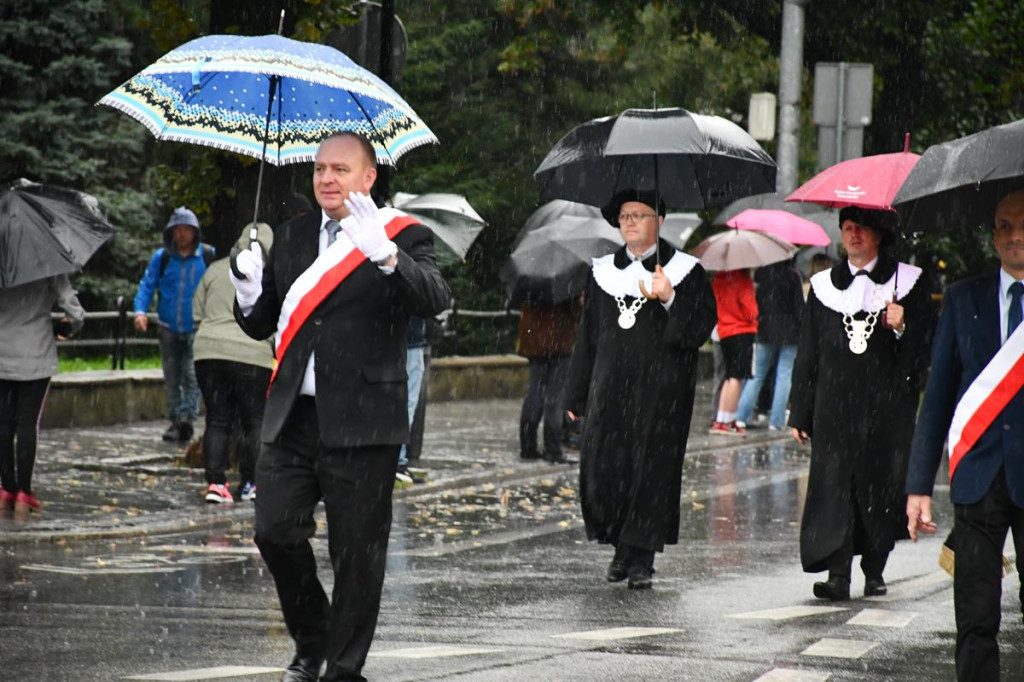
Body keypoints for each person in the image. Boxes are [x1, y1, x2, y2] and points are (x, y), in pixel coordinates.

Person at [230, 131, 450, 682]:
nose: (327, 178)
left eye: (340, 169)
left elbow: (434, 298)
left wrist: (387, 256)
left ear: (369, 177)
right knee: (274, 532)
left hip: (364, 420)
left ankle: (343, 669)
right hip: (293, 416)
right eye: (319, 169)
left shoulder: (404, 234)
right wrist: (248, 295)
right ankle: (314, 639)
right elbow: (264, 324)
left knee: (356, 556)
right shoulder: (293, 234)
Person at [564, 188, 716, 590]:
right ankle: (620, 546)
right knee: (607, 469)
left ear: (659, 221)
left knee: (650, 471)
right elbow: (588, 336)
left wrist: (670, 299)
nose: (630, 222)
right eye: (625, 216)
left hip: (661, 394)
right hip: (609, 389)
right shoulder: (602, 271)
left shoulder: (685, 271)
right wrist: (576, 393)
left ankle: (640, 558)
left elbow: (700, 329)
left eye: (640, 215)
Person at [906, 188, 1024, 681]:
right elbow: (936, 398)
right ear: (992, 236)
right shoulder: (962, 298)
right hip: (978, 479)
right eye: (1004, 226)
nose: (1015, 235)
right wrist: (918, 486)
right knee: (975, 620)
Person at [789, 207, 936, 601]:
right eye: (848, 228)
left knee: (879, 487)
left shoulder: (909, 282)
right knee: (834, 487)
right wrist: (799, 409)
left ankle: (875, 569)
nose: (854, 235)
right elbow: (808, 351)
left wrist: (903, 326)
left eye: (862, 229)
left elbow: (927, 349)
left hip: (886, 407)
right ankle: (838, 574)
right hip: (834, 406)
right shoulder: (823, 286)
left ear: (879, 235)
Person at [192, 223, 275, 504]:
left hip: (209, 352)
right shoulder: (270, 274)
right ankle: (252, 482)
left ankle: (216, 483)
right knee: (255, 421)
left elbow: (197, 312)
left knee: (217, 418)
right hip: (254, 355)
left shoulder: (216, 269)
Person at [0, 274, 85, 513]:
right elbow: (74, 309)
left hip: (2, 354)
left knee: (3, 423)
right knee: (28, 423)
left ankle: (6, 488)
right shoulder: (46, 265)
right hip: (36, 354)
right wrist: (69, 326)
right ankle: (24, 493)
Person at [133, 207, 212, 443]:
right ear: (171, 232)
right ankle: (176, 420)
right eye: (177, 230)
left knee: (192, 375)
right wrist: (140, 312)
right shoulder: (163, 258)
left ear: (195, 232)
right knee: (171, 378)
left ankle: (186, 419)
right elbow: (147, 285)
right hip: (167, 327)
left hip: (196, 327)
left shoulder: (207, 256)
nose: (182, 234)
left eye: (187, 229)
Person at [736, 259, 804, 431]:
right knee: (784, 375)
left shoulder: (762, 273)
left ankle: (741, 417)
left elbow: (756, 301)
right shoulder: (793, 276)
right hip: (790, 333)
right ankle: (776, 421)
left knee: (757, 375)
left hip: (765, 330)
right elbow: (799, 308)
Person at [517, 299, 580, 464]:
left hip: (534, 338)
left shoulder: (531, 284)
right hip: (560, 339)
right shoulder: (565, 285)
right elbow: (577, 305)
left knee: (534, 392)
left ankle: (528, 446)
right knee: (555, 396)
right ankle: (553, 449)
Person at [709, 268, 757, 435]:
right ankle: (729, 421)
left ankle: (721, 420)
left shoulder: (719, 279)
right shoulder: (743, 281)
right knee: (737, 378)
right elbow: (751, 312)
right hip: (742, 331)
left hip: (724, 331)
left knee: (729, 377)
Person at [395, 315, 427, 485]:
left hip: (391, 340)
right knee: (407, 404)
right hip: (410, 340)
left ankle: (395, 460)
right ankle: (398, 462)